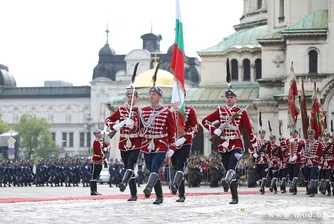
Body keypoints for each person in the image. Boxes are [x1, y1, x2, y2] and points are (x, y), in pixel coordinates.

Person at [202, 88, 257, 204]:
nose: (229, 99)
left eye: (231, 97)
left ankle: (229, 186)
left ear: (235, 99)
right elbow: (205, 121)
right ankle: (234, 196)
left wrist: (254, 142)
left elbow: (248, 128)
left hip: (237, 143)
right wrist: (214, 130)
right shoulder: (220, 111)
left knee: (232, 166)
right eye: (228, 97)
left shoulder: (241, 112)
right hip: (224, 144)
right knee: (228, 169)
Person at [131, 84, 176, 204]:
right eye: (150, 94)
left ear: (159, 96)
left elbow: (172, 131)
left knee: (155, 167)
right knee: (152, 170)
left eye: (154, 94)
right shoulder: (143, 111)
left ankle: (148, 188)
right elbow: (139, 128)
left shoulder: (167, 112)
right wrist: (132, 125)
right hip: (147, 144)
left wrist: (172, 146)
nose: (151, 96)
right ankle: (159, 196)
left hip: (160, 144)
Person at [105, 88, 142, 201]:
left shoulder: (139, 111)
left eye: (133, 97)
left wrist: (134, 126)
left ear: (136, 99)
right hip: (123, 142)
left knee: (131, 164)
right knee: (127, 168)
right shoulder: (121, 110)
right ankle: (133, 194)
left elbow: (142, 126)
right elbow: (108, 120)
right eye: (129, 97)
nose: (131, 99)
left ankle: (124, 182)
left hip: (135, 142)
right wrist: (114, 126)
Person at [170, 97, 199, 202]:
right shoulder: (170, 111)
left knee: (180, 165)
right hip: (173, 143)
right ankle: (178, 190)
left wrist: (184, 138)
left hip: (185, 143)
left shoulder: (189, 110)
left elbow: (195, 127)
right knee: (175, 167)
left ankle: (179, 191)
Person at [302, 129, 323, 197]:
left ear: (314, 135)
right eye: (309, 134)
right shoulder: (305, 143)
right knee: (307, 176)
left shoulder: (318, 143)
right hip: (306, 161)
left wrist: (320, 164)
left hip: (315, 161)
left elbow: (320, 154)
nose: (310, 135)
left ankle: (312, 191)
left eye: (311, 134)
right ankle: (309, 190)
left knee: (312, 176)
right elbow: (302, 151)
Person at [249, 129, 271, 194]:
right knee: (259, 174)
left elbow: (269, 151)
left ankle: (262, 187)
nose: (262, 135)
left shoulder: (267, 142)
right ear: (259, 135)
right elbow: (250, 149)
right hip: (258, 160)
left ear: (264, 135)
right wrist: (253, 155)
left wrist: (269, 158)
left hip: (264, 160)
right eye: (261, 134)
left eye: (263, 134)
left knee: (264, 174)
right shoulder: (256, 142)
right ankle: (262, 186)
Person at [90, 128, 108, 196]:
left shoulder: (100, 141)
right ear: (96, 134)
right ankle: (93, 191)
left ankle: (95, 190)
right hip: (96, 160)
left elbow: (106, 145)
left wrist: (107, 148)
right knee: (94, 174)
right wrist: (103, 157)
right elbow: (98, 152)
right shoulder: (96, 142)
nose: (100, 134)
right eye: (99, 133)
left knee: (97, 174)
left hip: (100, 160)